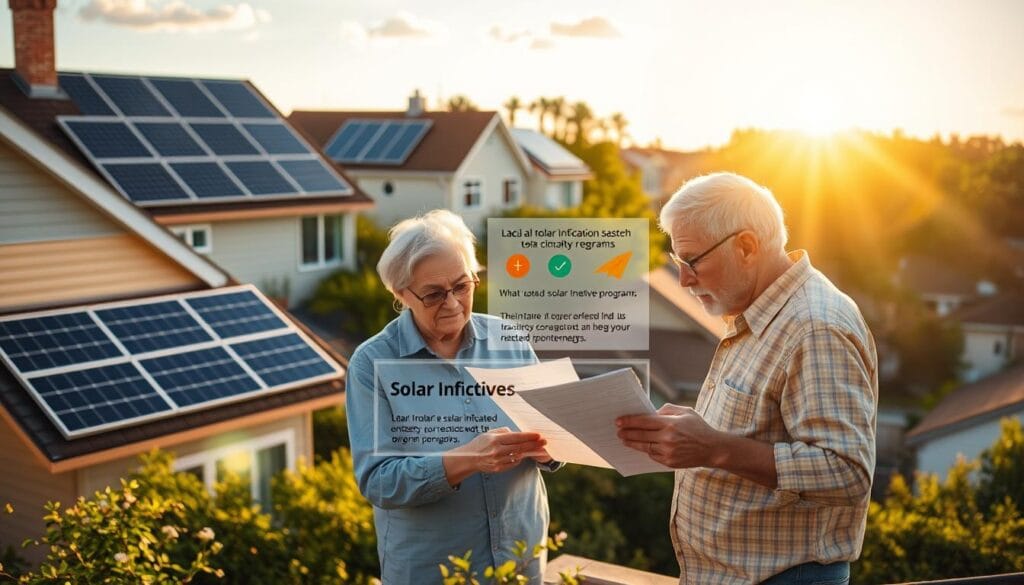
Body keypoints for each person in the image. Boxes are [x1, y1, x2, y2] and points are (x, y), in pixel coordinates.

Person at [617, 173, 877, 585]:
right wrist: (691, 436)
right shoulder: (758, 312)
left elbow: (847, 471)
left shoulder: (814, 327)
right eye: (677, 264)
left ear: (747, 247)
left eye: (692, 261)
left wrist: (715, 448)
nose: (683, 280)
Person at [346, 209, 556, 583]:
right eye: (434, 294)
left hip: (521, 559)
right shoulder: (372, 363)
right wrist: (467, 459)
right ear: (401, 294)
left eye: (462, 286)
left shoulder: (510, 340)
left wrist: (552, 448)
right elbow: (378, 481)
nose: (454, 303)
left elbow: (555, 434)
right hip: (432, 569)